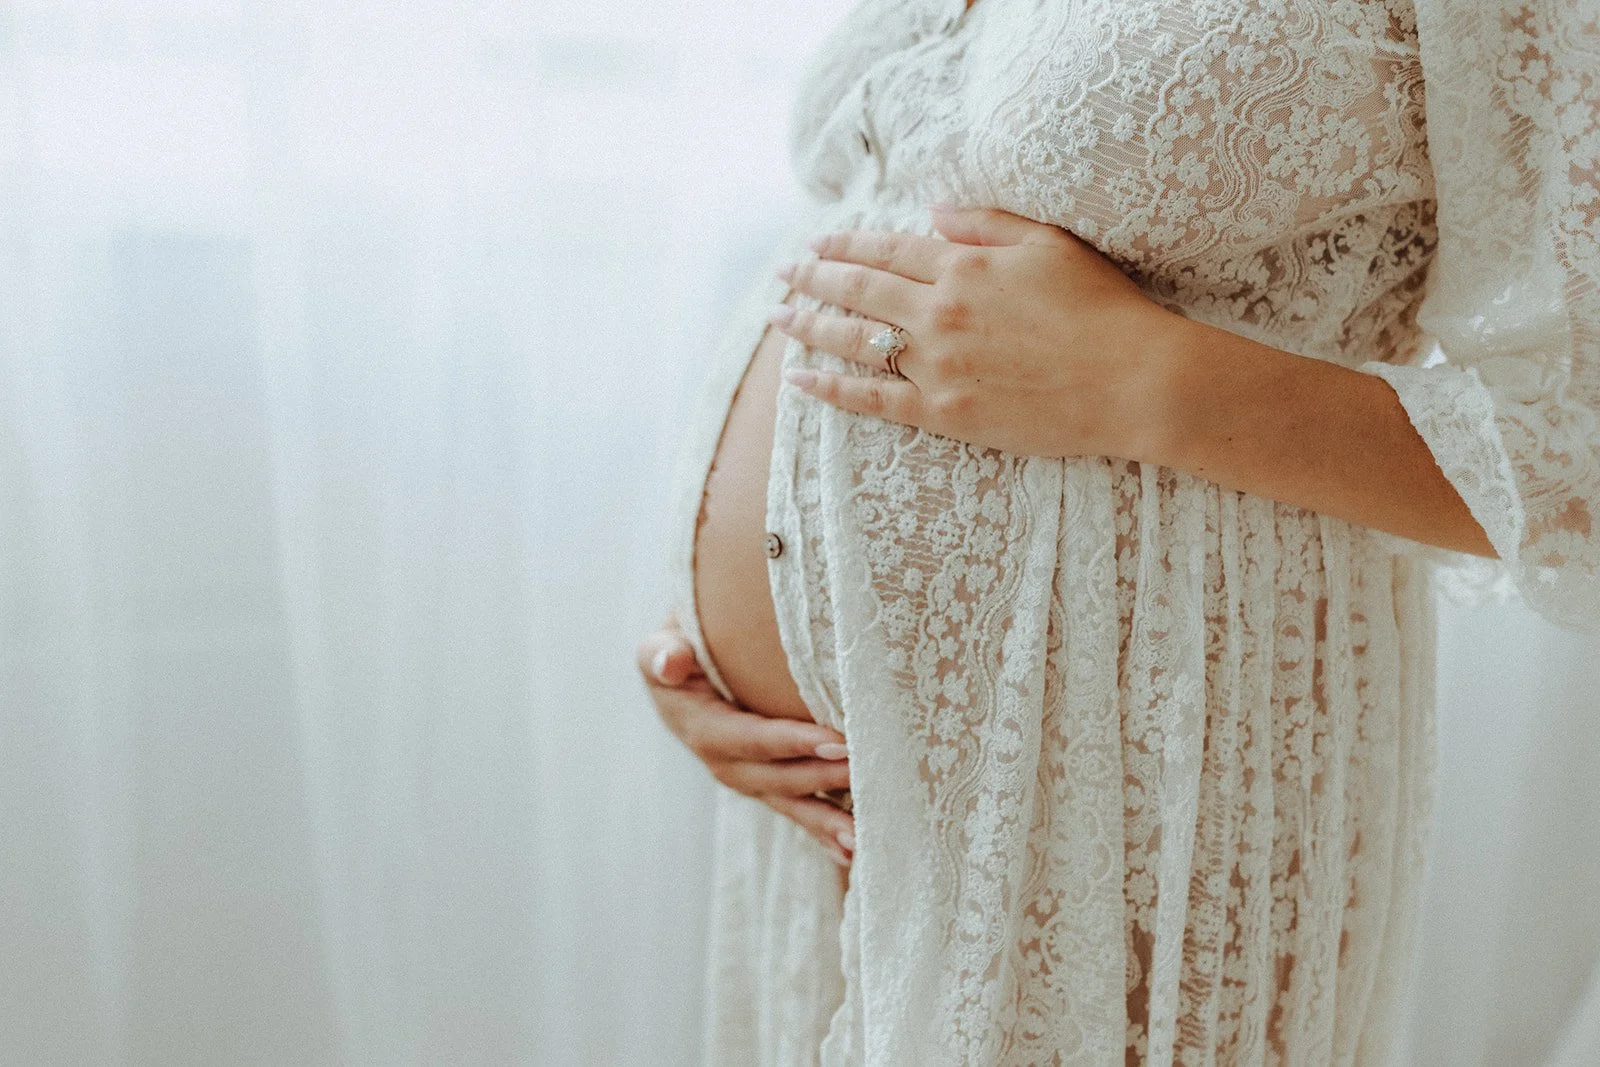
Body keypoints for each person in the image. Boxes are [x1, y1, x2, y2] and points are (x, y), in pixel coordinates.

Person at [639, 0, 1600, 1062]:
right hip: (816, 804)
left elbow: (1581, 449)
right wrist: (724, 632)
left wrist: (1139, 378)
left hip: (1144, 763)